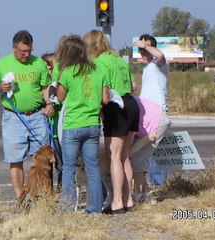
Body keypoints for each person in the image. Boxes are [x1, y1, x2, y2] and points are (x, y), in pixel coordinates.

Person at [0, 30, 55, 198]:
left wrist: (49, 103)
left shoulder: (38, 63)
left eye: (29, 50)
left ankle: (44, 196)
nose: (26, 54)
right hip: (13, 118)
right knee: (15, 158)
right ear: (14, 48)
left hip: (37, 115)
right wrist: (0, 88)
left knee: (43, 158)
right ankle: (20, 198)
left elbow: (45, 87)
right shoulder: (2, 65)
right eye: (23, 51)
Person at [83, 30, 139, 214]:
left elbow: (103, 90)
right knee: (124, 156)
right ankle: (128, 198)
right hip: (131, 104)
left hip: (116, 107)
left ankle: (116, 202)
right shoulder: (119, 60)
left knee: (114, 156)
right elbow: (133, 86)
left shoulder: (99, 62)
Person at [55, 35, 109, 213]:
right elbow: (105, 99)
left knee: (69, 167)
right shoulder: (98, 70)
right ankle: (95, 208)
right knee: (92, 166)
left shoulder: (68, 72)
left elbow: (60, 97)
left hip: (73, 125)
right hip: (92, 124)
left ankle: (67, 207)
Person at [132, 34, 171, 200]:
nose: (143, 51)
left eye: (146, 47)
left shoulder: (159, 65)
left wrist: (147, 46)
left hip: (158, 113)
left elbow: (161, 56)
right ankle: (145, 190)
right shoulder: (147, 68)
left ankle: (158, 187)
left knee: (149, 153)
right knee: (142, 154)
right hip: (146, 114)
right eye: (141, 49)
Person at [41, 53, 63, 192]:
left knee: (62, 164)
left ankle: (62, 192)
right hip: (53, 127)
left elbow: (57, 99)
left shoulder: (56, 76)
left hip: (58, 128)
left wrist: (51, 105)